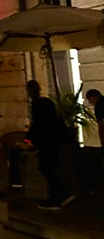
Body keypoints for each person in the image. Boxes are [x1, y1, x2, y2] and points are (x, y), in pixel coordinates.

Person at [26, 80, 74, 210]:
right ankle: (60, 193)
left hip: (46, 142)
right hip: (54, 140)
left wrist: (29, 139)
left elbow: (37, 124)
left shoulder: (37, 105)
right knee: (51, 168)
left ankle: (57, 196)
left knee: (47, 168)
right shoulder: (46, 103)